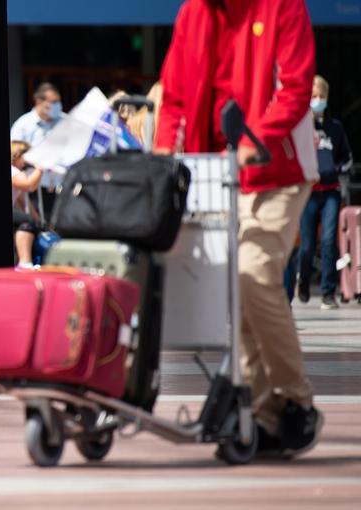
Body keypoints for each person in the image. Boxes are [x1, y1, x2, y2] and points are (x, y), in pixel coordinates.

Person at [156, 0, 322, 457]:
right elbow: (172, 97)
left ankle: (296, 399)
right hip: (213, 174)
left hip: (276, 171)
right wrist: (165, 153)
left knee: (253, 273)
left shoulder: (282, 7)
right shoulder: (195, 13)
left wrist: (255, 141)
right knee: (240, 291)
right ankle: (264, 414)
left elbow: (295, 87)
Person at [297, 75, 354, 309]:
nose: (318, 101)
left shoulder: (336, 128)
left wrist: (336, 169)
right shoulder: (300, 127)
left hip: (330, 191)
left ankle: (328, 292)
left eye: (321, 96)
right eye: (313, 97)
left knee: (329, 241)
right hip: (309, 191)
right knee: (308, 244)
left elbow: (347, 158)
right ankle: (303, 279)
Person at [10, 82, 66, 214]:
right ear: (39, 102)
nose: (57, 105)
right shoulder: (23, 125)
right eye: (53, 102)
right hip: (36, 187)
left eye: (58, 101)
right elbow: (14, 153)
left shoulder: (66, 121)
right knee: (38, 226)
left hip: (62, 186)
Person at [10, 141, 44, 268]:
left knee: (27, 222)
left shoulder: (16, 172)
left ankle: (23, 262)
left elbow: (23, 201)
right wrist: (40, 168)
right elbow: (29, 185)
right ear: (17, 154)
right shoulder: (12, 170)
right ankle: (25, 263)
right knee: (27, 221)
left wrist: (39, 222)